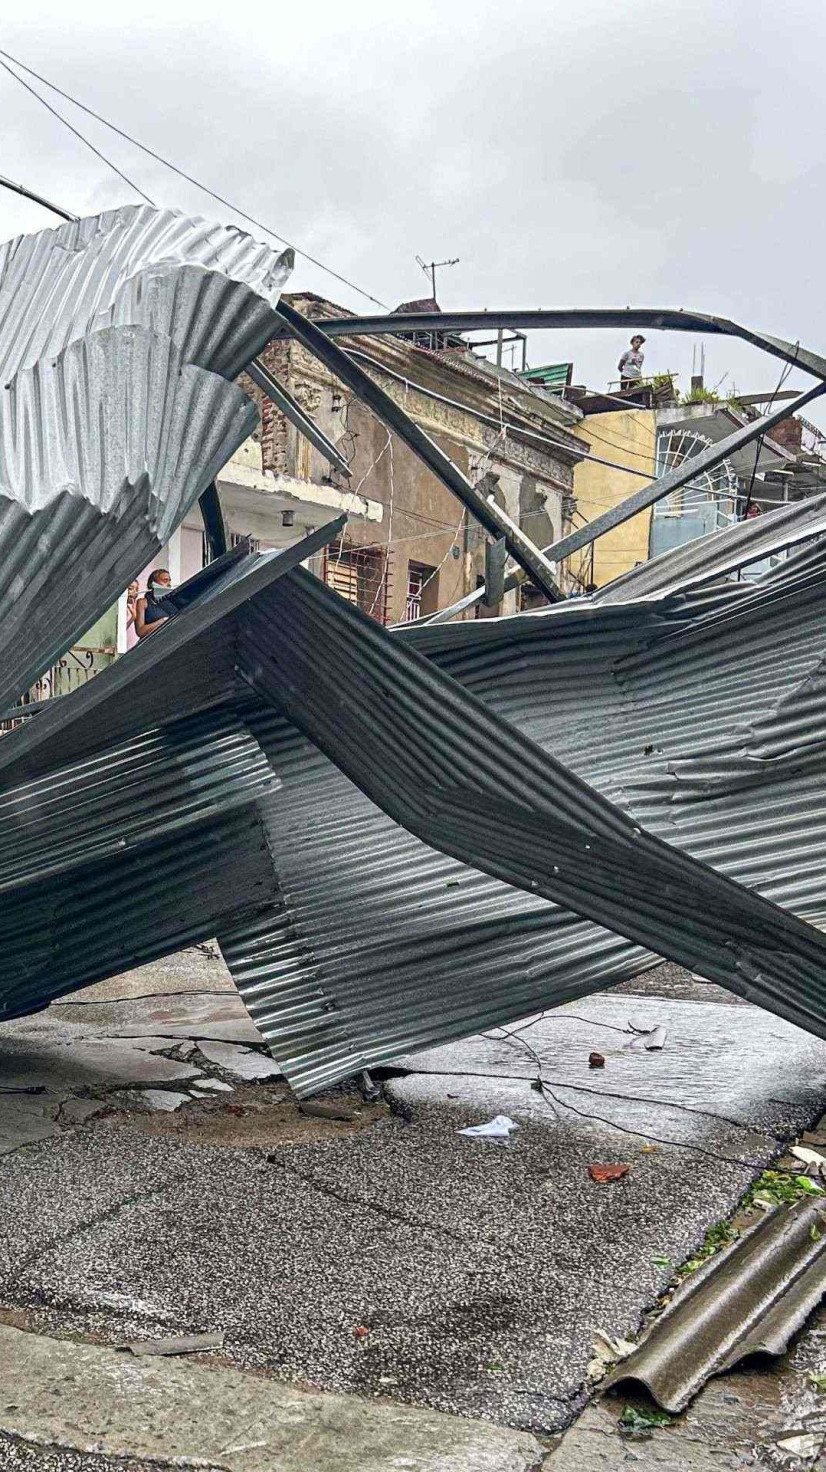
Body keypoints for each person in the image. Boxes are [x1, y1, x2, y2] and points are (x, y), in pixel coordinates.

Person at [135, 568, 173, 639]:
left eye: (169, 581)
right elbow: (140, 631)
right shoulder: (143, 602)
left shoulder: (171, 601)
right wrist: (163, 621)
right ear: (153, 584)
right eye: (165, 580)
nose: (169, 584)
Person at [125, 580, 139, 650]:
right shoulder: (121, 608)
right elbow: (120, 631)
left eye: (137, 589)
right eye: (131, 588)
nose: (135, 592)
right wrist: (133, 617)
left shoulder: (128, 608)